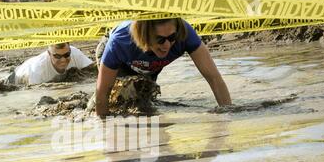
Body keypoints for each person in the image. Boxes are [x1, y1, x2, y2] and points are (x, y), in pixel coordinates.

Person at [94, 18, 232, 117]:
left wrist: (228, 114)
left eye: (172, 37)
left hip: (149, 63)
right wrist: (105, 128)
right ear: (145, 36)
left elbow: (214, 78)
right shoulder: (120, 42)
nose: (167, 45)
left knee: (144, 104)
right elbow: (103, 92)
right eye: (160, 39)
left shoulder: (184, 34)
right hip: (121, 61)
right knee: (120, 101)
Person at [0, 42, 94, 86]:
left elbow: (94, 70)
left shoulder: (75, 54)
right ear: (49, 54)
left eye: (66, 55)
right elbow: (34, 93)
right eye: (57, 56)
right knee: (0, 81)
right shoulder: (38, 71)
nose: (63, 60)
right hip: (22, 74)